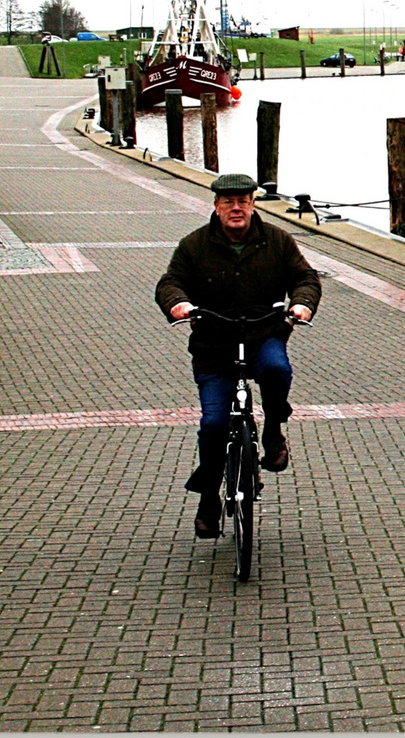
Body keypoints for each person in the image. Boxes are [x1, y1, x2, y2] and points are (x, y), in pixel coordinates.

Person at [156, 173, 322, 538]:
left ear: (252, 204)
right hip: (214, 345)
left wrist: (302, 305)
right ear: (215, 206)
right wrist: (178, 304)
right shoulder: (194, 245)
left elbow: (305, 278)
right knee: (214, 425)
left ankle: (274, 431)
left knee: (277, 369)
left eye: (243, 201)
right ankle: (209, 499)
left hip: (263, 333)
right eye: (228, 202)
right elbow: (170, 282)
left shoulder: (277, 240)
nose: (236, 209)